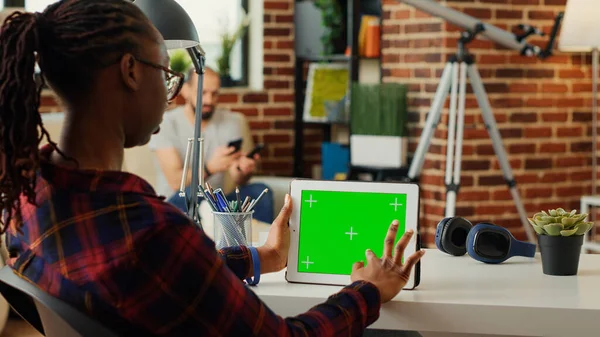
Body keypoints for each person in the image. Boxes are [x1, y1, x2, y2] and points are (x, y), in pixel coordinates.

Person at [0, 0, 425, 336]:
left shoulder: (25, 194)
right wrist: (367, 290)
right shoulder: (153, 233)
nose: (172, 92)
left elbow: (163, 281)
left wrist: (259, 258)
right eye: (166, 73)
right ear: (130, 71)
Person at [149, 68, 274, 223]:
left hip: (218, 204)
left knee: (260, 190)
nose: (209, 100)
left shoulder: (232, 121)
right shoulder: (166, 123)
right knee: (193, 193)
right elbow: (176, 182)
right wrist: (210, 168)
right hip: (178, 203)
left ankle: (255, 246)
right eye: (203, 92)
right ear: (186, 90)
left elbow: (238, 179)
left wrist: (242, 171)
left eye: (215, 94)